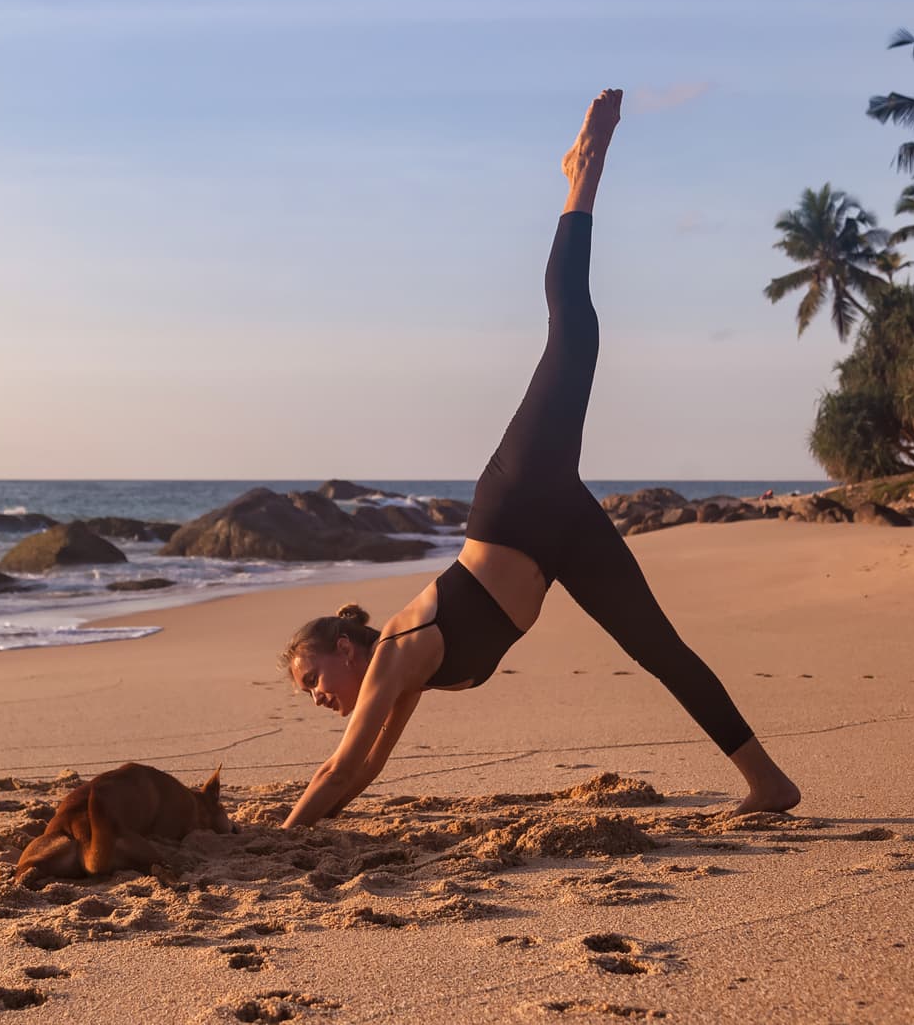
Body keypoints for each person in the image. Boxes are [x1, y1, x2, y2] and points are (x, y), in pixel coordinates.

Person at [279, 89, 800, 830]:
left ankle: (583, 172)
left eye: (311, 679)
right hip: (558, 539)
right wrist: (312, 823)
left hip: (520, 500)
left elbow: (338, 766)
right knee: (659, 647)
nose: (316, 695)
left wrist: (279, 836)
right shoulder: (401, 678)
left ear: (340, 645)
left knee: (574, 334)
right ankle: (769, 781)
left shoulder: (395, 648)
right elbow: (364, 767)